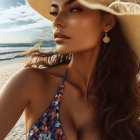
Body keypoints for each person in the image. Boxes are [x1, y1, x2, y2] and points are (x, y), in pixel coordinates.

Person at [0, 0, 140, 139]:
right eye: (55, 13)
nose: (56, 22)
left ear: (107, 22)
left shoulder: (124, 103)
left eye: (74, 9)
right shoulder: (32, 82)